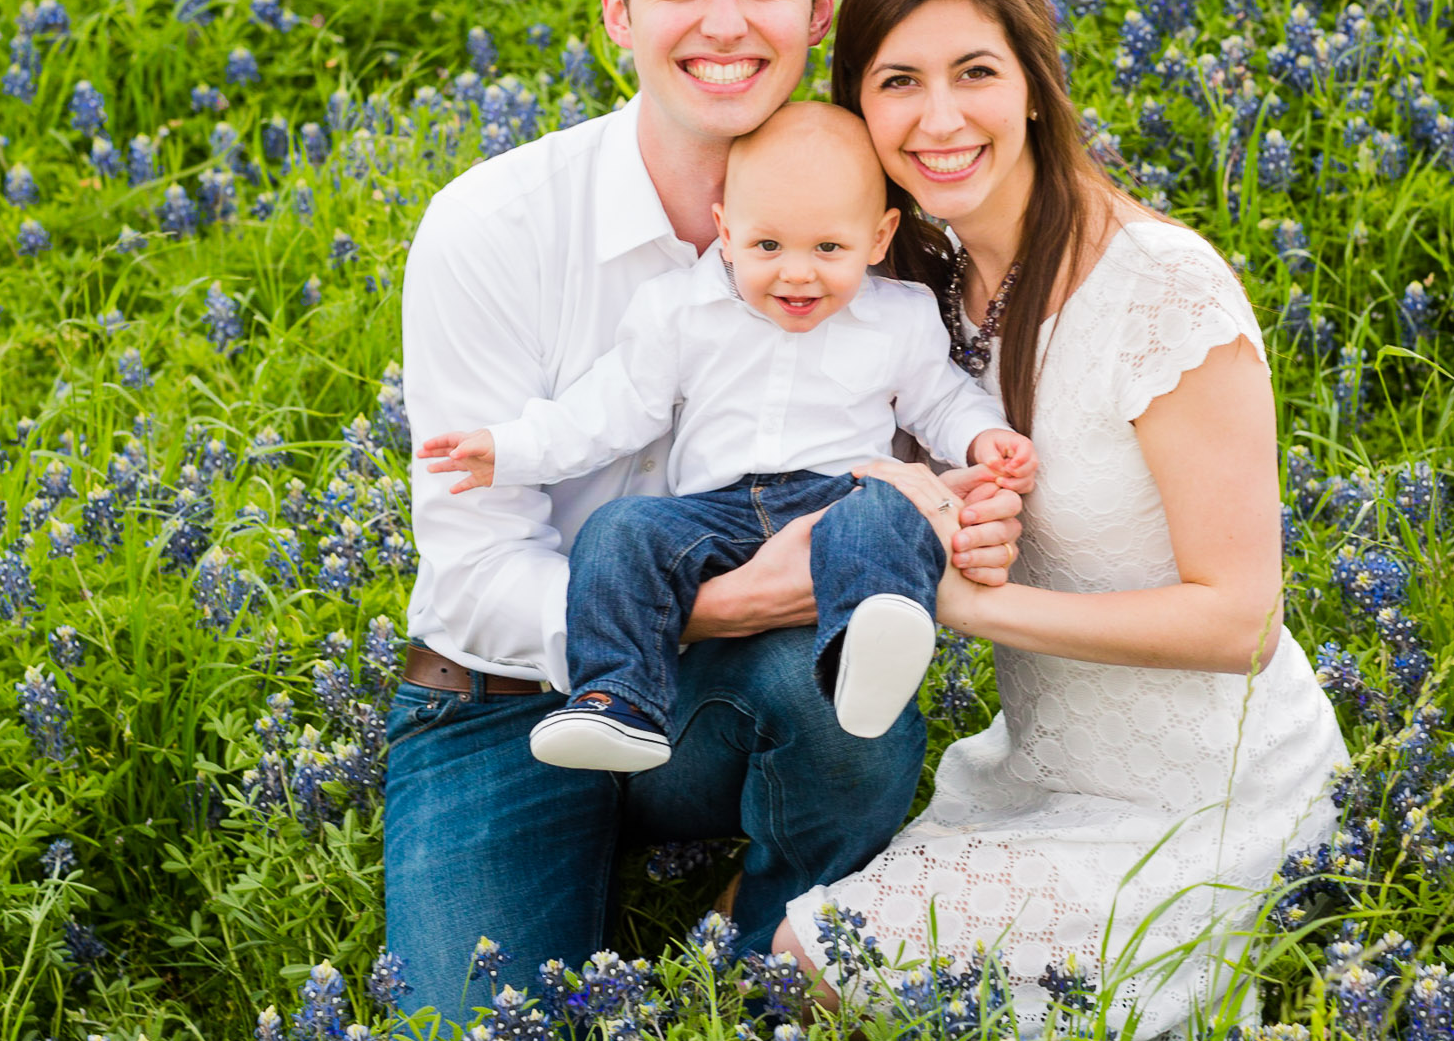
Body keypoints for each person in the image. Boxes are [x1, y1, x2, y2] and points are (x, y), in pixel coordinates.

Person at [386, 0, 1027, 1041]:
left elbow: (947, 424)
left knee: (835, 686)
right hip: (500, 696)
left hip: (735, 696)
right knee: (471, 1038)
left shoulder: (891, 222)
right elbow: (470, 579)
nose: (723, 24)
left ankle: (760, 949)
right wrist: (720, 602)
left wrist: (970, 492)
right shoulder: (490, 226)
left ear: (818, 4)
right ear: (618, 12)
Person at [768, 0, 1353, 1041]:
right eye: (898, 81)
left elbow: (1239, 618)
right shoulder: (921, 295)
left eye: (974, 72)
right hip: (1034, 769)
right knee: (768, 947)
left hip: (1211, 802)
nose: (939, 119)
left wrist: (961, 604)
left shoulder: (1161, 291)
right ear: (860, 110)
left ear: (1033, 84)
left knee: (811, 960)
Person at [417, 102, 1038, 771]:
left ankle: (864, 651)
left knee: (887, 514)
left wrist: (984, 438)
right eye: (767, 246)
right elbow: (607, 410)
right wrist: (510, 449)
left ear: (880, 237)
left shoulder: (901, 319)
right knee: (619, 529)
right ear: (726, 230)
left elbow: (940, 402)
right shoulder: (680, 312)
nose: (796, 273)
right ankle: (617, 699)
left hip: (837, 498)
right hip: (716, 514)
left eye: (829, 248)